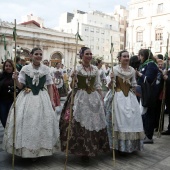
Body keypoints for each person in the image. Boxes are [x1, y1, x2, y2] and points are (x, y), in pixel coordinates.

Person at [3, 47, 60, 158]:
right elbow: (20, 86)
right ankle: (26, 149)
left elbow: (49, 86)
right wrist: (15, 79)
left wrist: (51, 100)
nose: (39, 56)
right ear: (31, 56)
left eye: (40, 54)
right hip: (27, 97)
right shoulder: (25, 68)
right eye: (36, 54)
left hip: (42, 97)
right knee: (28, 121)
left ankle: (40, 149)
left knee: (42, 122)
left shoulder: (46, 69)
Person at [59, 47, 110, 160]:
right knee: (79, 122)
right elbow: (72, 86)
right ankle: (81, 149)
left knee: (94, 122)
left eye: (91, 54)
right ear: (81, 55)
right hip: (79, 97)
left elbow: (97, 84)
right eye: (87, 54)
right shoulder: (76, 68)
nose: (89, 56)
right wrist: (73, 78)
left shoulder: (95, 69)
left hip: (93, 98)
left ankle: (93, 147)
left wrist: (101, 97)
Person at [105, 50, 144, 153]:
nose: (126, 58)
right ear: (119, 58)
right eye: (124, 56)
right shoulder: (115, 69)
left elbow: (134, 84)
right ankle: (118, 146)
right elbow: (109, 86)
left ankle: (130, 146)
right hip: (117, 96)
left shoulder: (132, 70)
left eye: (128, 56)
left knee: (131, 120)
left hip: (129, 97)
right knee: (119, 121)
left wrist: (135, 99)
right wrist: (111, 79)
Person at [136, 49, 159, 144]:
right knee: (145, 114)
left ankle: (149, 136)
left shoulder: (151, 64)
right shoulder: (146, 64)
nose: (139, 58)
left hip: (149, 93)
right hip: (143, 92)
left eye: (140, 55)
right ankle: (146, 134)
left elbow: (148, 78)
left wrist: (139, 74)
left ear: (144, 55)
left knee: (148, 114)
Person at [0, 59, 18, 128]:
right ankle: (6, 133)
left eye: (10, 66)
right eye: (6, 66)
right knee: (3, 118)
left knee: (11, 119)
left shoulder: (16, 76)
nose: (8, 67)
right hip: (2, 101)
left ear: (13, 67)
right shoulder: (1, 76)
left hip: (12, 101)